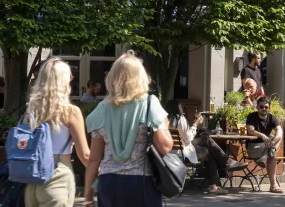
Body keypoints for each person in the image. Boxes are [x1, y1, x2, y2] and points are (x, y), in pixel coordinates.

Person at [84, 52, 173, 207]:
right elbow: (165, 147)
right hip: (141, 182)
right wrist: (163, 123)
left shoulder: (102, 109)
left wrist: (88, 196)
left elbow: (94, 159)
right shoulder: (149, 104)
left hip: (108, 183)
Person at [23, 58, 91, 206]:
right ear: (63, 81)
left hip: (31, 179)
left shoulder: (31, 110)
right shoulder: (70, 112)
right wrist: (104, 173)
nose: (72, 79)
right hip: (57, 176)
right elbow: (85, 155)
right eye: (70, 76)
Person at [164, 99, 244, 195]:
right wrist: (195, 124)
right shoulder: (180, 119)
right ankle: (225, 167)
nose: (182, 108)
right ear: (178, 109)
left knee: (206, 140)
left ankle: (226, 165)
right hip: (183, 153)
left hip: (169, 152)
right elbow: (188, 138)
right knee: (209, 150)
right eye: (181, 107)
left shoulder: (163, 119)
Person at [244, 97, 283, 194]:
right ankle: (273, 185)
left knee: (278, 139)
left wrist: (274, 140)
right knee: (272, 153)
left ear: (269, 108)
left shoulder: (272, 117)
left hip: (266, 149)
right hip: (253, 147)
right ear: (257, 107)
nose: (264, 109)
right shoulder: (252, 116)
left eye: (266, 107)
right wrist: (262, 135)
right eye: (261, 107)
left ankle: (266, 155)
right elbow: (250, 130)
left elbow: (279, 131)